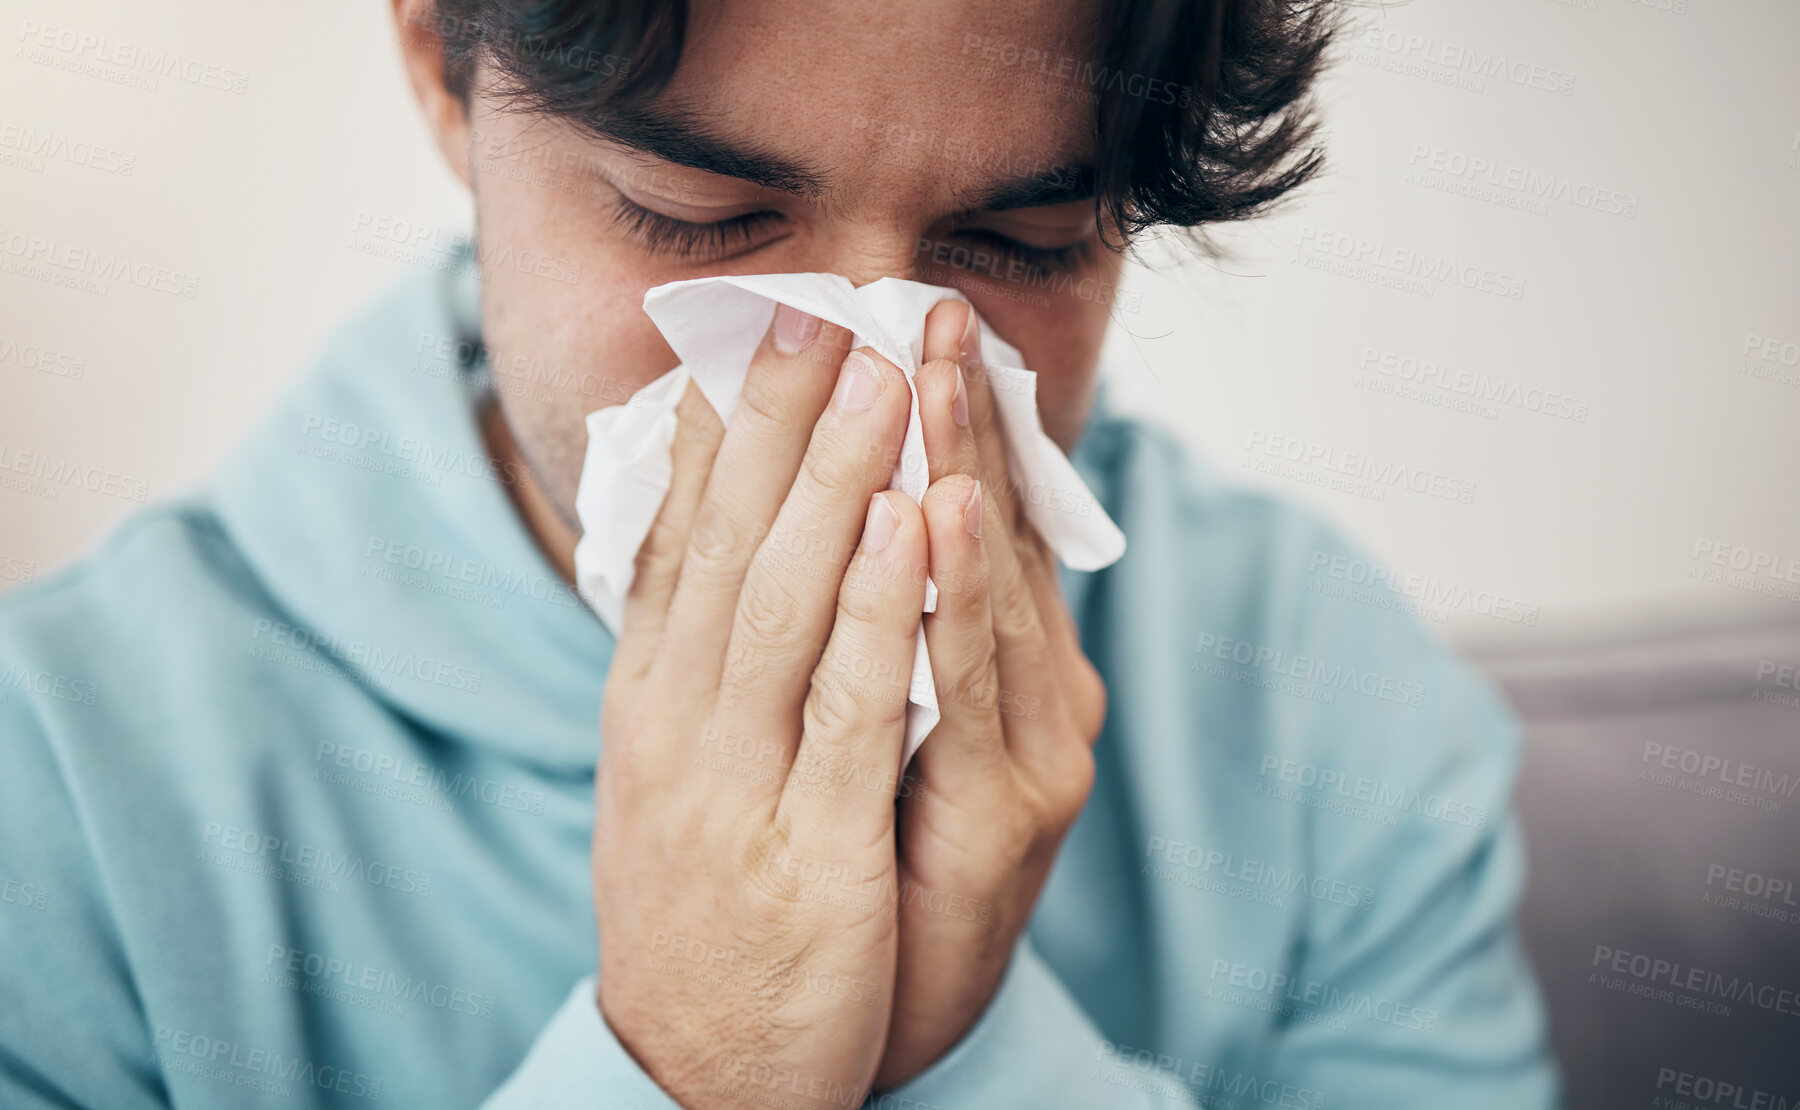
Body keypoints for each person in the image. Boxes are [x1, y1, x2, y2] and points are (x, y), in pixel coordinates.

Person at [0, 0, 1560, 1106]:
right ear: (438, 61)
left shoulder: (1321, 697)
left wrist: (979, 1064)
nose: (869, 387)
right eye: (702, 211)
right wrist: (685, 1067)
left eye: (1016, 246)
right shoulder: (59, 788)